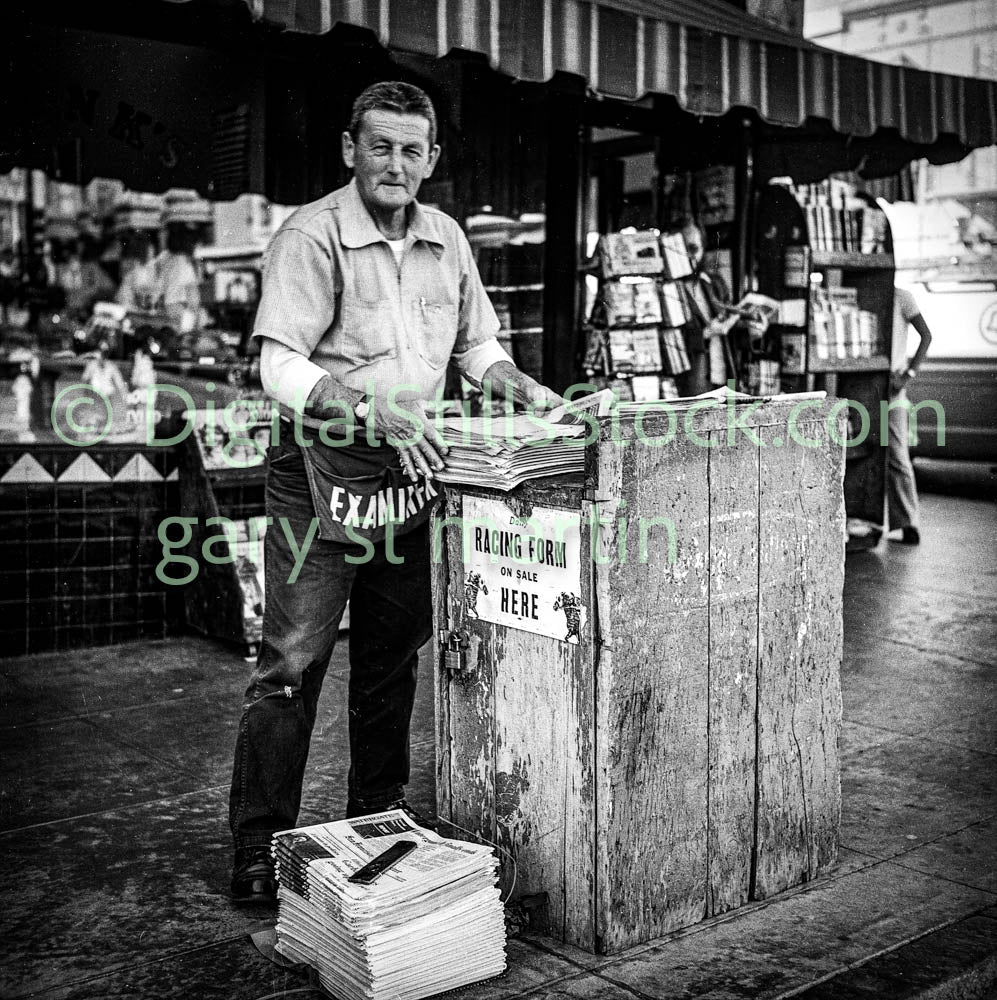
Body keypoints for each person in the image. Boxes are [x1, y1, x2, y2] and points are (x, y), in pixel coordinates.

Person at [228, 80, 564, 904]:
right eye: (380, 145)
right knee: (291, 663)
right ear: (351, 149)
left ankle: (376, 822)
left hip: (409, 470)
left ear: (432, 159)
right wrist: (367, 410)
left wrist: (523, 389)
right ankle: (256, 846)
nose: (396, 163)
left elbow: (478, 346)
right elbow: (278, 367)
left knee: (390, 660)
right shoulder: (311, 234)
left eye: (412, 149)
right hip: (318, 470)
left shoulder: (447, 238)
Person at [676, 219, 767, 395]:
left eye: (693, 248)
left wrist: (753, 333)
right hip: (695, 384)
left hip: (726, 378)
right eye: (681, 249)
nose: (688, 256)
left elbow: (732, 335)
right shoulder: (670, 290)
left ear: (703, 249)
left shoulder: (714, 283)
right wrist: (706, 333)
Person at [886, 287, 932, 545]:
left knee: (898, 454)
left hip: (892, 388)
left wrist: (908, 375)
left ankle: (908, 522)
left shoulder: (902, 297)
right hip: (870, 383)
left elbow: (926, 335)